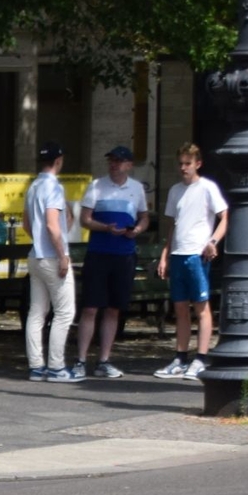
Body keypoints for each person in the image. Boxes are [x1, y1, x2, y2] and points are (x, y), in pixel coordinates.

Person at [69, 145, 150, 380]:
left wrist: (137, 230)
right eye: (111, 160)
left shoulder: (136, 189)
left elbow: (143, 217)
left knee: (114, 308)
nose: (114, 164)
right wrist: (105, 228)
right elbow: (85, 219)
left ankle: (104, 359)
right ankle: (81, 359)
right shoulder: (96, 186)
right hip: (99, 252)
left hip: (124, 254)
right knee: (91, 307)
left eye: (119, 161)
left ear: (129, 165)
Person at [153, 143, 228, 378]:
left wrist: (213, 242)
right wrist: (165, 255)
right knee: (180, 307)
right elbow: (172, 226)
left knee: (202, 308)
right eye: (181, 164)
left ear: (198, 163)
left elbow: (224, 217)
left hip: (197, 254)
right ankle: (180, 357)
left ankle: (201, 358)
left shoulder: (208, 188)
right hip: (178, 254)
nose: (183, 168)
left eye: (188, 163)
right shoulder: (175, 190)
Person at [23, 145, 76, 382]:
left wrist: (39, 242)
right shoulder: (54, 187)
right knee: (64, 312)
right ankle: (56, 366)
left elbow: (27, 224)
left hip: (35, 255)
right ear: (59, 160)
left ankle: (36, 365)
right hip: (53, 257)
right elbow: (53, 225)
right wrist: (62, 254)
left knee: (37, 312)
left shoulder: (33, 186)